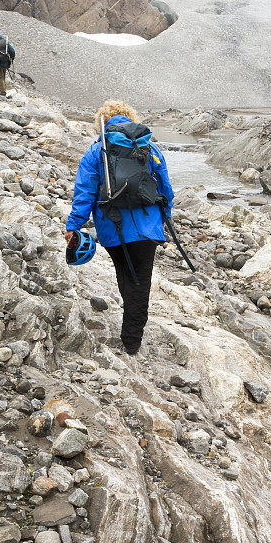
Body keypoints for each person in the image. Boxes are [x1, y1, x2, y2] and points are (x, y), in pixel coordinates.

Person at [65, 101, 174, 355]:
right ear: (131, 119)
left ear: (102, 120)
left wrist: (74, 225)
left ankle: (130, 333)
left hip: (112, 226)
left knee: (125, 275)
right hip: (148, 226)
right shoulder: (149, 146)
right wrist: (164, 220)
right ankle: (132, 340)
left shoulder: (98, 150)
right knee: (141, 282)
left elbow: (85, 192)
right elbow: (165, 188)